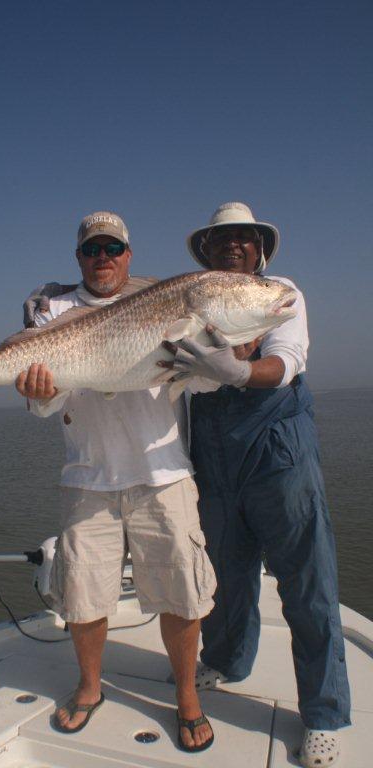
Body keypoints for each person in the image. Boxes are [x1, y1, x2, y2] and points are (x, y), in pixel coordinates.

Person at [15, 211, 217, 752]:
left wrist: (225, 353)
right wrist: (40, 390)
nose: (102, 257)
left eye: (112, 248)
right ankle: (89, 687)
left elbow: (205, 383)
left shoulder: (167, 302)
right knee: (83, 596)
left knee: (181, 595)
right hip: (87, 477)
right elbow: (43, 407)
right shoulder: (53, 312)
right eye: (92, 249)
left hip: (164, 474)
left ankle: (187, 697)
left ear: (129, 255)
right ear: (78, 258)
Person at [167, 201, 351, 768]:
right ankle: (227, 659)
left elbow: (285, 361)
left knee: (307, 581)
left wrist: (242, 369)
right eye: (221, 238)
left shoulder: (280, 293)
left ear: (260, 249)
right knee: (226, 571)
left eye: (244, 237)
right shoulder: (188, 298)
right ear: (206, 252)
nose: (233, 244)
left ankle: (322, 714)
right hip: (212, 453)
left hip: (279, 452)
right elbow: (182, 377)